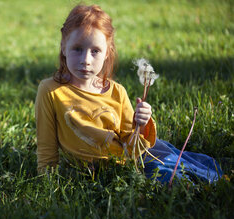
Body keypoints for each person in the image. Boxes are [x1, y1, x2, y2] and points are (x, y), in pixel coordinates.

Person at [35, 4, 222, 182]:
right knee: (169, 176)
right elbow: (46, 146)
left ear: (107, 52)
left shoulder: (117, 92)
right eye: (77, 49)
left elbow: (132, 145)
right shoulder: (51, 91)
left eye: (95, 51)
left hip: (130, 161)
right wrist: (47, 180)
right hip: (101, 172)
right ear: (63, 46)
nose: (86, 60)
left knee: (178, 167)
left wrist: (141, 124)